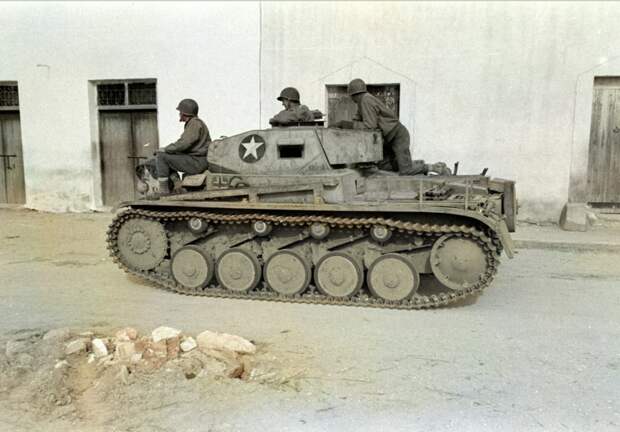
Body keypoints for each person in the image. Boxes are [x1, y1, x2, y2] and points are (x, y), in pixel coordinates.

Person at [335, 78, 450, 176]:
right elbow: (357, 120)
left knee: (405, 171)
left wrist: (344, 124)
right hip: (388, 138)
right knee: (384, 166)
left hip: (397, 135)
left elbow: (370, 127)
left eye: (351, 96)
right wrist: (345, 125)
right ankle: (417, 164)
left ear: (354, 94)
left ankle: (434, 168)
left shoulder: (366, 100)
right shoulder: (362, 102)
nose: (352, 100)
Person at [155, 98, 211, 196]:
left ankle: (164, 190)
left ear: (184, 113)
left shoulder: (194, 123)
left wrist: (165, 149)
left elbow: (184, 143)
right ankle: (177, 184)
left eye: (180, 112)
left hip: (197, 161)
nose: (179, 114)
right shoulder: (194, 123)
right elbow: (185, 145)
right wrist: (169, 150)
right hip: (197, 160)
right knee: (167, 154)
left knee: (161, 156)